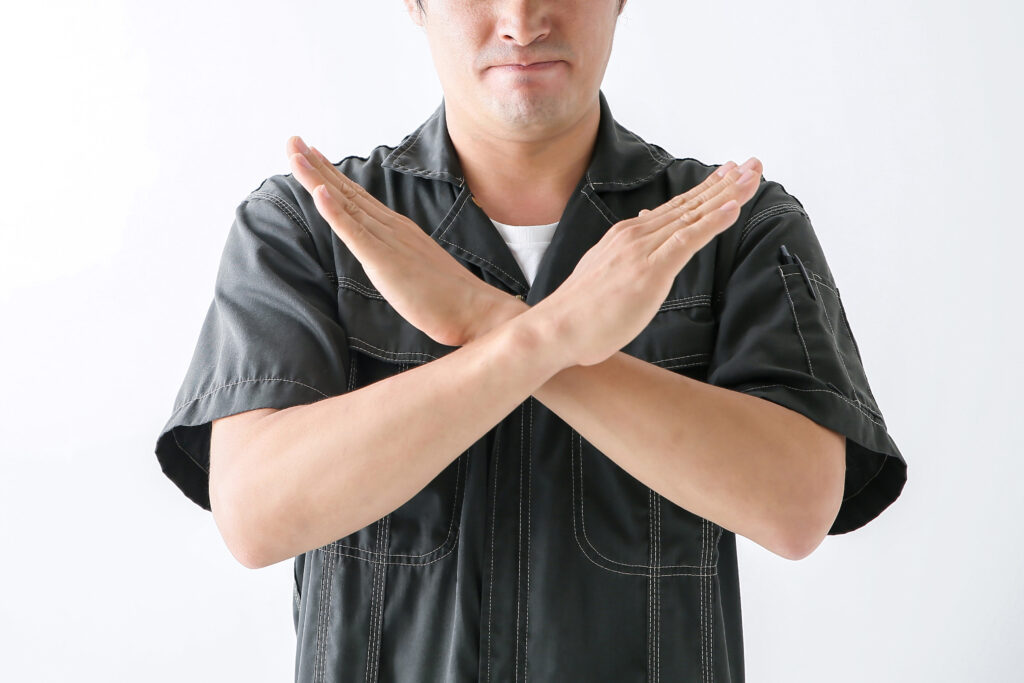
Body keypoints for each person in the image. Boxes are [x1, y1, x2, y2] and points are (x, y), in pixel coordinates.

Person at [154, 1, 908, 680]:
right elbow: (255, 514)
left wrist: (484, 320)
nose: (521, 21)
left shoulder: (729, 225)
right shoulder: (311, 224)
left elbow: (798, 505)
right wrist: (548, 336)